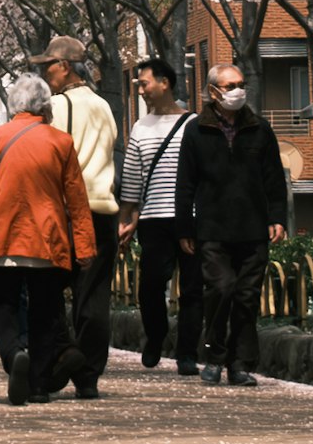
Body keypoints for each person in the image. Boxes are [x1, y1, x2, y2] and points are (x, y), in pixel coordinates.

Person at [0, 73, 93, 404]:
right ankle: (37, 385)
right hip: (48, 240)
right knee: (46, 312)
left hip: (4, 237)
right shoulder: (61, 142)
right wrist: (86, 246)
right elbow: (76, 199)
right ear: (45, 105)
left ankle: (12, 354)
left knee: (2, 304)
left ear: (13, 105)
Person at [180, 62, 288, 384]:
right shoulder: (196, 130)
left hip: (253, 229)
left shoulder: (260, 129)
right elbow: (185, 183)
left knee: (246, 296)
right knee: (221, 289)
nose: (237, 91)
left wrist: (277, 218)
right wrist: (185, 228)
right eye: (229, 86)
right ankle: (213, 356)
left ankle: (240, 364)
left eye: (240, 84)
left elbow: (274, 178)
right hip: (212, 229)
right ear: (213, 92)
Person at [42, 35, 124, 395]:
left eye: (48, 66)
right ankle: (89, 375)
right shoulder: (104, 106)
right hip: (103, 208)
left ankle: (63, 354)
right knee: (94, 296)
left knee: (47, 290)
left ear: (64, 66)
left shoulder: (59, 107)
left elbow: (48, 154)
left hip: (67, 209)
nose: (45, 74)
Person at [123, 60, 193, 371]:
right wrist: (127, 219)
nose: (140, 90)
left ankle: (188, 353)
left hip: (190, 217)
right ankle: (156, 336)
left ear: (165, 83)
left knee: (193, 287)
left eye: (144, 83)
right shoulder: (140, 127)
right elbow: (132, 179)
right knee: (150, 285)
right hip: (152, 219)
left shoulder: (194, 124)